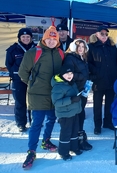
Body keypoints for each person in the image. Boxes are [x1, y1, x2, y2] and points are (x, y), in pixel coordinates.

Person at [19, 24, 64, 169]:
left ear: (57, 40)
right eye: (49, 39)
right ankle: (32, 151)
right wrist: (33, 84)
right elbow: (23, 73)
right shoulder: (33, 52)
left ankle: (46, 141)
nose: (51, 41)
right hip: (37, 94)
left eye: (54, 39)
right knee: (36, 123)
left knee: (51, 119)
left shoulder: (60, 53)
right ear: (44, 39)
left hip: (54, 93)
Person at [87, 26, 117, 135]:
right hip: (98, 81)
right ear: (96, 34)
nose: (104, 36)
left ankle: (108, 122)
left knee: (109, 103)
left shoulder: (111, 47)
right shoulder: (91, 47)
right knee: (97, 105)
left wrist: (115, 72)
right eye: (102, 34)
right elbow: (88, 63)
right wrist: (96, 72)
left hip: (111, 80)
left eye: (106, 34)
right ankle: (97, 125)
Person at [64, 39, 92, 151]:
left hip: (82, 90)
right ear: (74, 48)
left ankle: (79, 136)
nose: (81, 48)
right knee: (76, 115)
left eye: (83, 47)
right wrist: (82, 77)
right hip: (75, 91)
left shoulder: (82, 58)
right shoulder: (70, 58)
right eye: (79, 46)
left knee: (81, 114)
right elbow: (68, 74)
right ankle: (76, 139)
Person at [5, 28, 36, 132]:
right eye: (23, 37)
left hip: (33, 80)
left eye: (28, 37)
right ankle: (21, 124)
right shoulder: (13, 50)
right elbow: (8, 64)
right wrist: (14, 74)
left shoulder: (37, 48)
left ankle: (34, 122)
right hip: (19, 80)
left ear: (31, 38)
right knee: (20, 102)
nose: (26, 38)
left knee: (33, 102)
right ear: (19, 38)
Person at [51, 64, 83, 161]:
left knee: (74, 130)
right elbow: (56, 102)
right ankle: (63, 152)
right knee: (66, 133)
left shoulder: (71, 83)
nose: (69, 75)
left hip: (74, 112)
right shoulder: (58, 86)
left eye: (71, 73)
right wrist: (71, 99)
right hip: (65, 114)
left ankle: (74, 147)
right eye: (67, 73)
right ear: (61, 74)